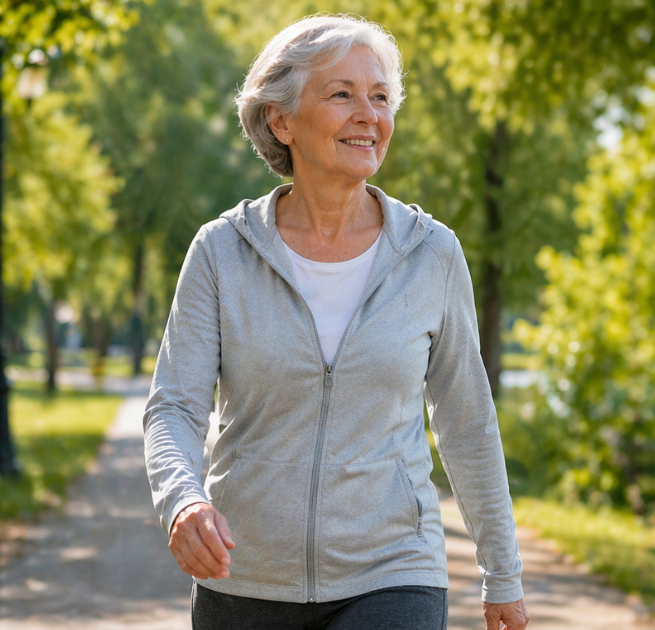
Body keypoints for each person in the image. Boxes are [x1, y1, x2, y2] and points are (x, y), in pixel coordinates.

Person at [143, 14, 529, 630]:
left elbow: (467, 421)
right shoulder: (222, 252)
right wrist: (182, 500)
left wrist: (502, 574)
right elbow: (174, 407)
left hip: (393, 571)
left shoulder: (431, 253)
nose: (368, 114)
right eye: (342, 93)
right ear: (282, 120)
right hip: (245, 577)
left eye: (379, 97)